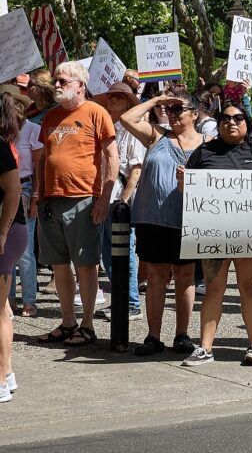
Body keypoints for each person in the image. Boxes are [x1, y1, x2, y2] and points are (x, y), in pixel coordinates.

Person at [32, 62, 119, 348]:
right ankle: (68, 322)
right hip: (51, 202)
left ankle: (88, 325)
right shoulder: (52, 116)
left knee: (85, 265)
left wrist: (104, 198)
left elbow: (111, 158)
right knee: (58, 264)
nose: (56, 85)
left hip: (83, 199)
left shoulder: (96, 112)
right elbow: (44, 158)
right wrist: (38, 194)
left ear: (80, 85)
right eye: (56, 81)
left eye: (63, 81)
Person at [182, 103, 252, 366]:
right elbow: (187, 193)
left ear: (247, 123)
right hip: (213, 234)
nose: (231, 123)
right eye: (225, 119)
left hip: (249, 233)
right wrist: (182, 183)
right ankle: (205, 348)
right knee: (214, 289)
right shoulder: (204, 151)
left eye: (238, 118)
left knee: (249, 287)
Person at [120, 92, 204, 355]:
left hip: (188, 219)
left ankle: (182, 335)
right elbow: (126, 117)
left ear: (195, 114)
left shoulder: (207, 143)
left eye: (180, 108)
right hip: (153, 218)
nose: (174, 113)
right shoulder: (157, 135)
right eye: (170, 109)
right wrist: (156, 102)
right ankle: (153, 336)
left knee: (185, 276)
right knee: (156, 276)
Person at [94, 83, 145, 318]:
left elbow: (136, 168)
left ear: (128, 103)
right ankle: (122, 300)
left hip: (120, 201)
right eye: (111, 96)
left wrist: (124, 200)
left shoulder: (132, 130)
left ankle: (132, 303)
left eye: (118, 97)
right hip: (105, 197)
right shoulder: (106, 128)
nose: (112, 100)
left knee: (124, 253)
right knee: (108, 254)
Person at [4, 84, 41, 318]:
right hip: (4, 189)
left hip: (25, 187)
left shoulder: (32, 130)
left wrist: (37, 195)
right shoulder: (3, 132)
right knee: (6, 247)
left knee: (25, 250)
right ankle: (8, 301)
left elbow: (39, 166)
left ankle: (29, 300)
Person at [0, 110, 26, 403]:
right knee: (3, 308)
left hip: (7, 231)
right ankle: (6, 374)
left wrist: (2, 232)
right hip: (7, 232)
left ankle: (1, 382)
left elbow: (14, 190)